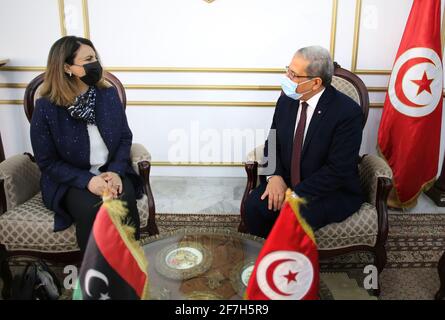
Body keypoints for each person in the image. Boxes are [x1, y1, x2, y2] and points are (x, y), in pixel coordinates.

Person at [30, 36, 142, 253]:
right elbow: (47, 161)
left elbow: (124, 138)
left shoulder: (107, 94)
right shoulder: (46, 107)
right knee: (94, 208)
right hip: (71, 180)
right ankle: (96, 278)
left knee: (124, 200)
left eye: (96, 58)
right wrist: (87, 181)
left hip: (110, 172)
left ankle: (131, 268)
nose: (96, 64)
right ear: (67, 67)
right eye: (88, 59)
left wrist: (117, 172)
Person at [245, 46, 364, 238]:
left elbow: (338, 169)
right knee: (254, 206)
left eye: (293, 75)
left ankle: (290, 265)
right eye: (288, 70)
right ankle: (266, 259)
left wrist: (293, 194)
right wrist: (274, 177)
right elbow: (273, 141)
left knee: (292, 218)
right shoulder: (286, 101)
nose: (287, 78)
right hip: (286, 180)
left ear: (315, 83)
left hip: (328, 192)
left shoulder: (347, 113)